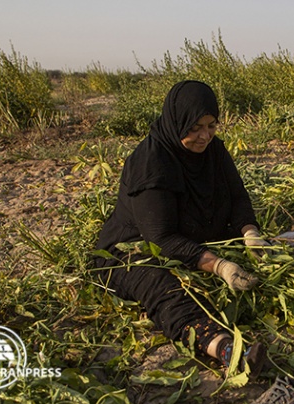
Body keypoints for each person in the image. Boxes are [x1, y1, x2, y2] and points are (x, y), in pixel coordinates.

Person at [92, 80, 269, 376]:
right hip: (133, 250)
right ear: (177, 121)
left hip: (193, 237)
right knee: (167, 288)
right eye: (195, 127)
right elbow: (160, 238)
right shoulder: (151, 163)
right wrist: (220, 266)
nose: (204, 136)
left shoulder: (214, 151)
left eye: (212, 125)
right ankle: (229, 351)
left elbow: (238, 196)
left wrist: (250, 232)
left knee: (259, 260)